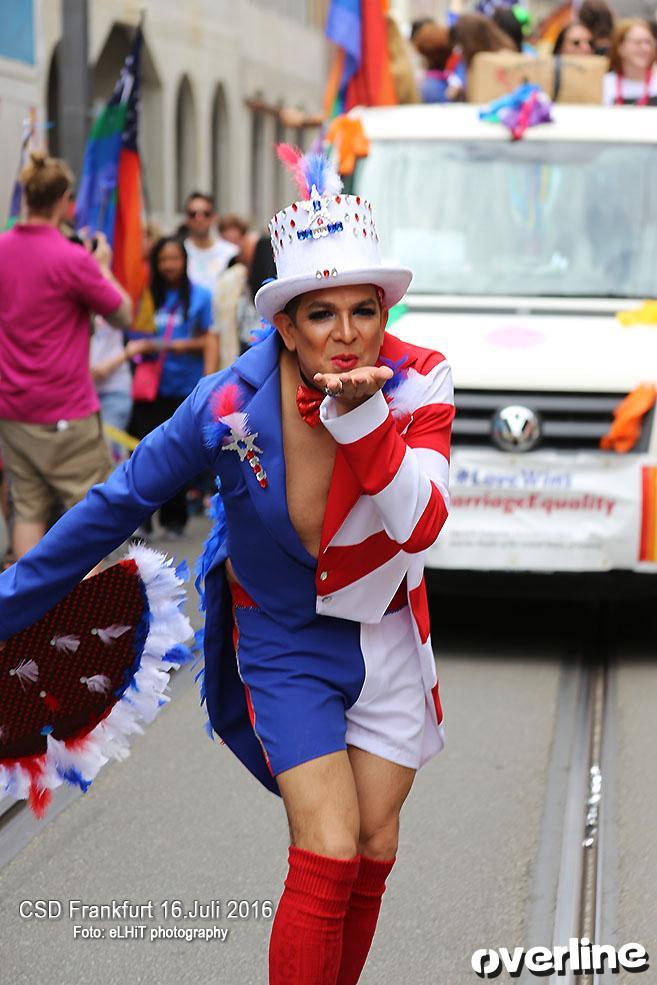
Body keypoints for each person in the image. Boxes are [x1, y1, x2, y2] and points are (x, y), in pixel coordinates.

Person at [0, 148, 454, 984]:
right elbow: (117, 502)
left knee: (372, 848)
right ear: (285, 324)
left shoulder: (420, 379)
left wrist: (364, 422)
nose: (347, 332)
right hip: (281, 639)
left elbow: (421, 523)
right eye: (322, 313)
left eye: (365, 309)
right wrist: (8, 602)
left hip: (386, 637)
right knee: (325, 848)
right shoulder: (223, 404)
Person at [0, 151, 131, 561]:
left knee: (27, 509)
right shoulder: (72, 259)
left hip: (14, 409)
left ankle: (30, 614)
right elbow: (123, 312)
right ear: (64, 202)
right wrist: (103, 266)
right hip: (67, 410)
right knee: (89, 516)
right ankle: (94, 616)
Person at [128, 236, 217, 538]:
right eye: (163, 259)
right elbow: (134, 336)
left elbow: (208, 340)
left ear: (184, 261)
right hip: (151, 389)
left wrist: (176, 348)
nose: (168, 265)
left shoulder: (202, 296)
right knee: (144, 452)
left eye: (174, 259)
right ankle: (142, 519)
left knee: (176, 456)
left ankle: (174, 519)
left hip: (185, 389)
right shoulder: (146, 296)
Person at [183, 191, 239, 291]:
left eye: (206, 214)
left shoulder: (231, 253)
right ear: (186, 218)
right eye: (193, 214)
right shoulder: (179, 253)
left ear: (214, 217)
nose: (199, 219)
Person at [602, 17, 657, 104]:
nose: (645, 48)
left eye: (648, 42)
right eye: (638, 42)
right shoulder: (605, 84)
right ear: (620, 47)